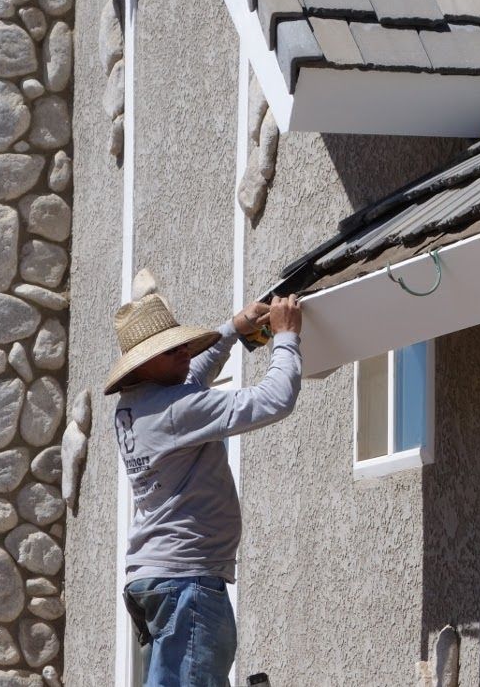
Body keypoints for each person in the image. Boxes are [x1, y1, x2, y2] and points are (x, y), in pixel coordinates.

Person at [104, 292, 303, 686]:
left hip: (155, 579)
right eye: (173, 350)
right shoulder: (178, 409)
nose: (185, 353)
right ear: (145, 363)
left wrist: (233, 329)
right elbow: (275, 400)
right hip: (185, 582)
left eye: (183, 345)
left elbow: (192, 375)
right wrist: (285, 337)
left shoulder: (134, 406)